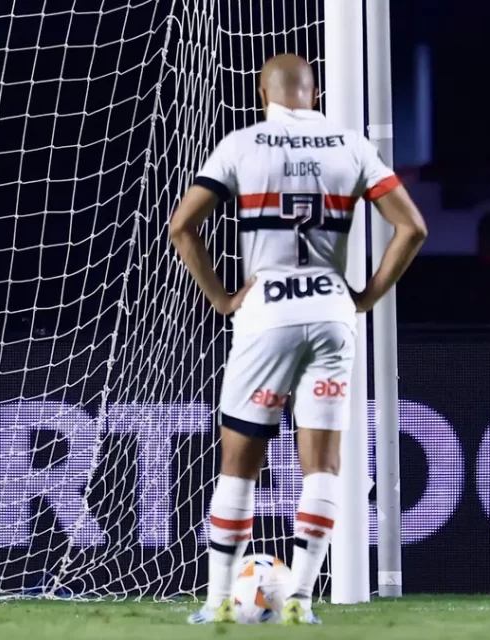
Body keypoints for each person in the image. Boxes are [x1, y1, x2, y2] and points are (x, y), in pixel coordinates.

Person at [168, 54, 427, 625]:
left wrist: (220, 296)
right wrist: (363, 298)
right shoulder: (351, 146)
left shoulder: (243, 144)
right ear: (314, 94)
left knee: (239, 466)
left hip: (267, 313)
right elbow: (412, 227)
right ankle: (302, 601)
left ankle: (216, 605)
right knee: (324, 469)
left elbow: (182, 226)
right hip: (332, 313)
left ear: (264, 92)